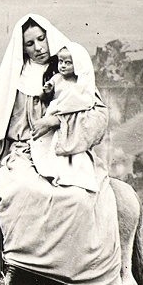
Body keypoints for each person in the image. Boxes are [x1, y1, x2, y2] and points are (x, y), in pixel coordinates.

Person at [0, 15, 121, 285]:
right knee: (16, 190)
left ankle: (89, 277)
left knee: (82, 198)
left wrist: (56, 122)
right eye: (30, 43)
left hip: (62, 151)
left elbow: (97, 115)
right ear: (21, 48)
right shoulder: (14, 78)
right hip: (23, 153)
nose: (38, 47)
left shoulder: (67, 70)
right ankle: (14, 267)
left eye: (41, 39)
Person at [30, 42, 99, 191]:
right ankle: (50, 171)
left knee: (70, 155)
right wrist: (47, 91)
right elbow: (45, 97)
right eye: (61, 61)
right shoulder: (57, 78)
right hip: (54, 115)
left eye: (68, 63)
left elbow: (83, 103)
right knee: (48, 147)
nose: (63, 66)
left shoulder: (80, 83)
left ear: (78, 65)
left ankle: (68, 175)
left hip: (68, 123)